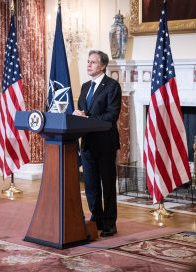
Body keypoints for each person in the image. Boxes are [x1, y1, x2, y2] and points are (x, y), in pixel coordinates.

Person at [73, 50, 121, 237]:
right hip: (87, 142)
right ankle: (97, 217)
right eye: (88, 61)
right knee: (91, 184)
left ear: (102, 66)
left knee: (107, 185)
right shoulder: (85, 86)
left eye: (93, 62)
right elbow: (83, 110)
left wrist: (88, 117)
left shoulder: (112, 86)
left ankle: (110, 223)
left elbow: (112, 115)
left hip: (105, 143)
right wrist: (79, 115)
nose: (89, 65)